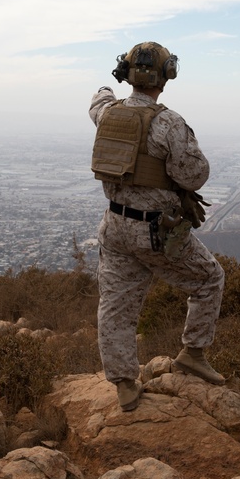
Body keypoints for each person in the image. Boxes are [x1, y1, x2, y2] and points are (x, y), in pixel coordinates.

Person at [89, 41, 226, 412]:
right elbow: (194, 175)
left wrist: (106, 88)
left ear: (127, 74)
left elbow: (98, 101)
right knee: (209, 279)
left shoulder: (108, 113)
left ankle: (124, 384)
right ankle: (193, 353)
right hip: (154, 232)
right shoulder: (169, 123)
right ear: (166, 77)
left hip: (114, 226)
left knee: (116, 306)